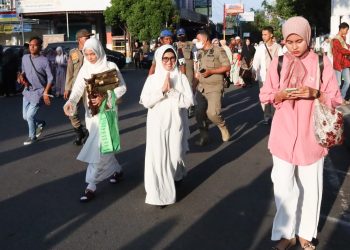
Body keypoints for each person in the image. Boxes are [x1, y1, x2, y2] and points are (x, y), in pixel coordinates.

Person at [260, 16, 342, 250]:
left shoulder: (320, 62)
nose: (294, 46)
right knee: (283, 186)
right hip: (283, 135)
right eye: (289, 41)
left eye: (299, 41)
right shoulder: (279, 61)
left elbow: (335, 98)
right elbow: (265, 94)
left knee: (311, 186)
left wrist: (314, 92)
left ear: (307, 38)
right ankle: (286, 233)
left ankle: (306, 232)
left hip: (311, 135)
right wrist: (281, 95)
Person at [63, 37, 127, 202]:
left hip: (108, 113)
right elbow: (77, 89)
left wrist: (105, 96)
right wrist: (70, 102)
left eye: (93, 53)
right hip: (91, 114)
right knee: (103, 146)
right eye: (87, 54)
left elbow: (122, 88)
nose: (91, 57)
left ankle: (91, 185)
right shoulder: (85, 68)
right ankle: (117, 170)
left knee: (97, 148)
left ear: (99, 51)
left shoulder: (110, 66)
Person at [140, 45, 194, 207]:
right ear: (159, 59)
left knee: (174, 156)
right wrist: (162, 91)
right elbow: (146, 101)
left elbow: (188, 101)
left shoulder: (181, 78)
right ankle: (160, 194)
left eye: (172, 58)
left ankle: (175, 177)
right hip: (156, 124)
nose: (169, 62)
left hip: (176, 123)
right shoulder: (152, 79)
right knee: (157, 158)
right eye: (165, 59)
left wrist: (172, 92)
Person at [193, 30, 231, 146]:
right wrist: (192, 88)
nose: (197, 42)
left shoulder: (218, 51)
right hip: (201, 87)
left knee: (212, 113)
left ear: (205, 39)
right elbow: (197, 71)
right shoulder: (199, 53)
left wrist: (211, 71)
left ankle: (222, 126)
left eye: (198, 39)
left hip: (214, 86)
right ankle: (204, 136)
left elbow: (227, 66)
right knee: (199, 113)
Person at [20, 36, 53, 145]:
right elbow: (23, 71)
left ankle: (32, 136)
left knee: (30, 116)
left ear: (40, 47)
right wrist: (21, 77)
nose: (32, 47)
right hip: (27, 91)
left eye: (35, 45)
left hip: (39, 92)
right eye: (30, 45)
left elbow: (50, 78)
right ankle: (40, 123)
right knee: (25, 116)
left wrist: (46, 92)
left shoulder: (44, 61)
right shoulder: (25, 58)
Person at [64, 29, 92, 145]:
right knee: (71, 111)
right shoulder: (73, 53)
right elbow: (69, 71)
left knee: (90, 111)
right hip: (77, 87)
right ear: (79, 40)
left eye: (89, 37)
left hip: (90, 85)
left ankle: (91, 134)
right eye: (86, 38)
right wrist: (67, 87)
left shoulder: (91, 51)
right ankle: (80, 131)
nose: (88, 39)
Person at [252, 26, 283, 124]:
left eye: (265, 34)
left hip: (276, 78)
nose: (263, 36)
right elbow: (256, 60)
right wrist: (254, 70)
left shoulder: (278, 47)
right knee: (265, 97)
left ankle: (275, 116)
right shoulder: (260, 47)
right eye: (262, 34)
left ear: (271, 35)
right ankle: (267, 116)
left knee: (275, 97)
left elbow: (283, 61)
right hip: (264, 77)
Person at [174, 28, 195, 117]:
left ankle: (190, 106)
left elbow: (195, 56)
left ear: (185, 35)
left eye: (182, 34)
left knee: (189, 85)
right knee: (179, 86)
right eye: (179, 35)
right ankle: (180, 105)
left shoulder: (191, 44)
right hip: (178, 67)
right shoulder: (174, 45)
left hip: (189, 67)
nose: (181, 36)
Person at [331, 22, 350, 101]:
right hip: (338, 64)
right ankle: (335, 98)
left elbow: (346, 46)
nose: (347, 31)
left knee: (348, 82)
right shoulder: (336, 39)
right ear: (342, 29)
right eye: (346, 30)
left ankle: (341, 98)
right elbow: (341, 50)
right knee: (338, 83)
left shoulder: (342, 38)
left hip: (345, 63)